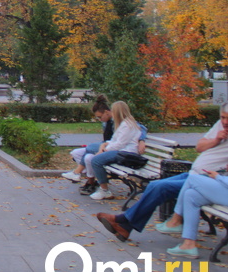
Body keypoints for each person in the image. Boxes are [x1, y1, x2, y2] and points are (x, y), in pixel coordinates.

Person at [96, 103, 228, 244]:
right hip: (194, 174)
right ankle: (125, 225)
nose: (225, 122)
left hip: (208, 181)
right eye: (222, 117)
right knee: (155, 185)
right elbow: (199, 146)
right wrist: (216, 139)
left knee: (160, 187)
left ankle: (123, 221)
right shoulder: (220, 126)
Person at [83, 101, 143, 200]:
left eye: (113, 111)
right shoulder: (124, 124)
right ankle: (102, 188)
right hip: (121, 152)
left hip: (126, 154)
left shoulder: (127, 125)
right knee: (93, 157)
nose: (112, 113)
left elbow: (120, 144)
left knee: (96, 160)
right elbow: (115, 141)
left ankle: (105, 190)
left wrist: (105, 150)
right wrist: (105, 145)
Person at [62, 95, 114, 189]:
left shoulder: (116, 121)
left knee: (89, 151)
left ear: (106, 112)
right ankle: (88, 178)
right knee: (76, 153)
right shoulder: (105, 122)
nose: (100, 119)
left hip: (111, 147)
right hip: (105, 145)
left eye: (100, 117)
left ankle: (78, 173)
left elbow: (138, 127)